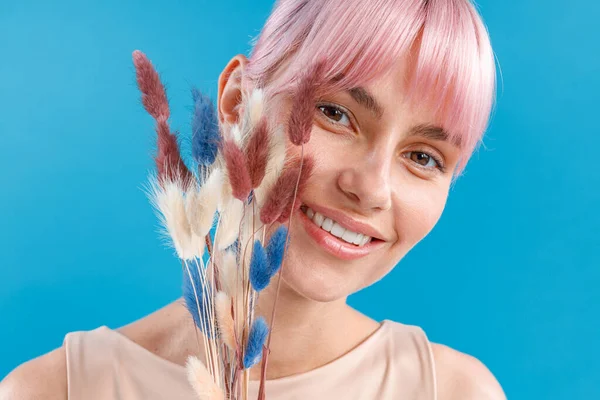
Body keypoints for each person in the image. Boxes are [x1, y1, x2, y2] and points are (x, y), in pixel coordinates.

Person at [0, 0, 506, 399]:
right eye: (334, 113)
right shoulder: (53, 391)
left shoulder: (456, 393)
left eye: (424, 157)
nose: (371, 188)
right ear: (237, 104)